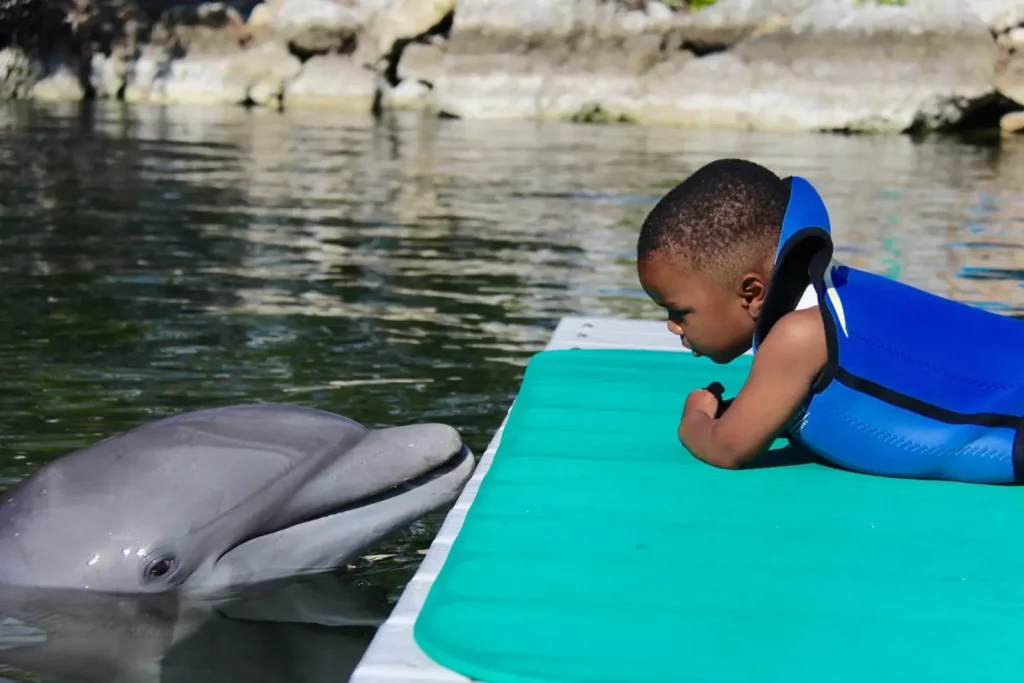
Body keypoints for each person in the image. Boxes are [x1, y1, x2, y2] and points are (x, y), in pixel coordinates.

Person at [635, 158, 1024, 485]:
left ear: (752, 295)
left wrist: (696, 418)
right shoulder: (835, 295)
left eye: (678, 311)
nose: (673, 326)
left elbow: (728, 447)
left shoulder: (799, 336)